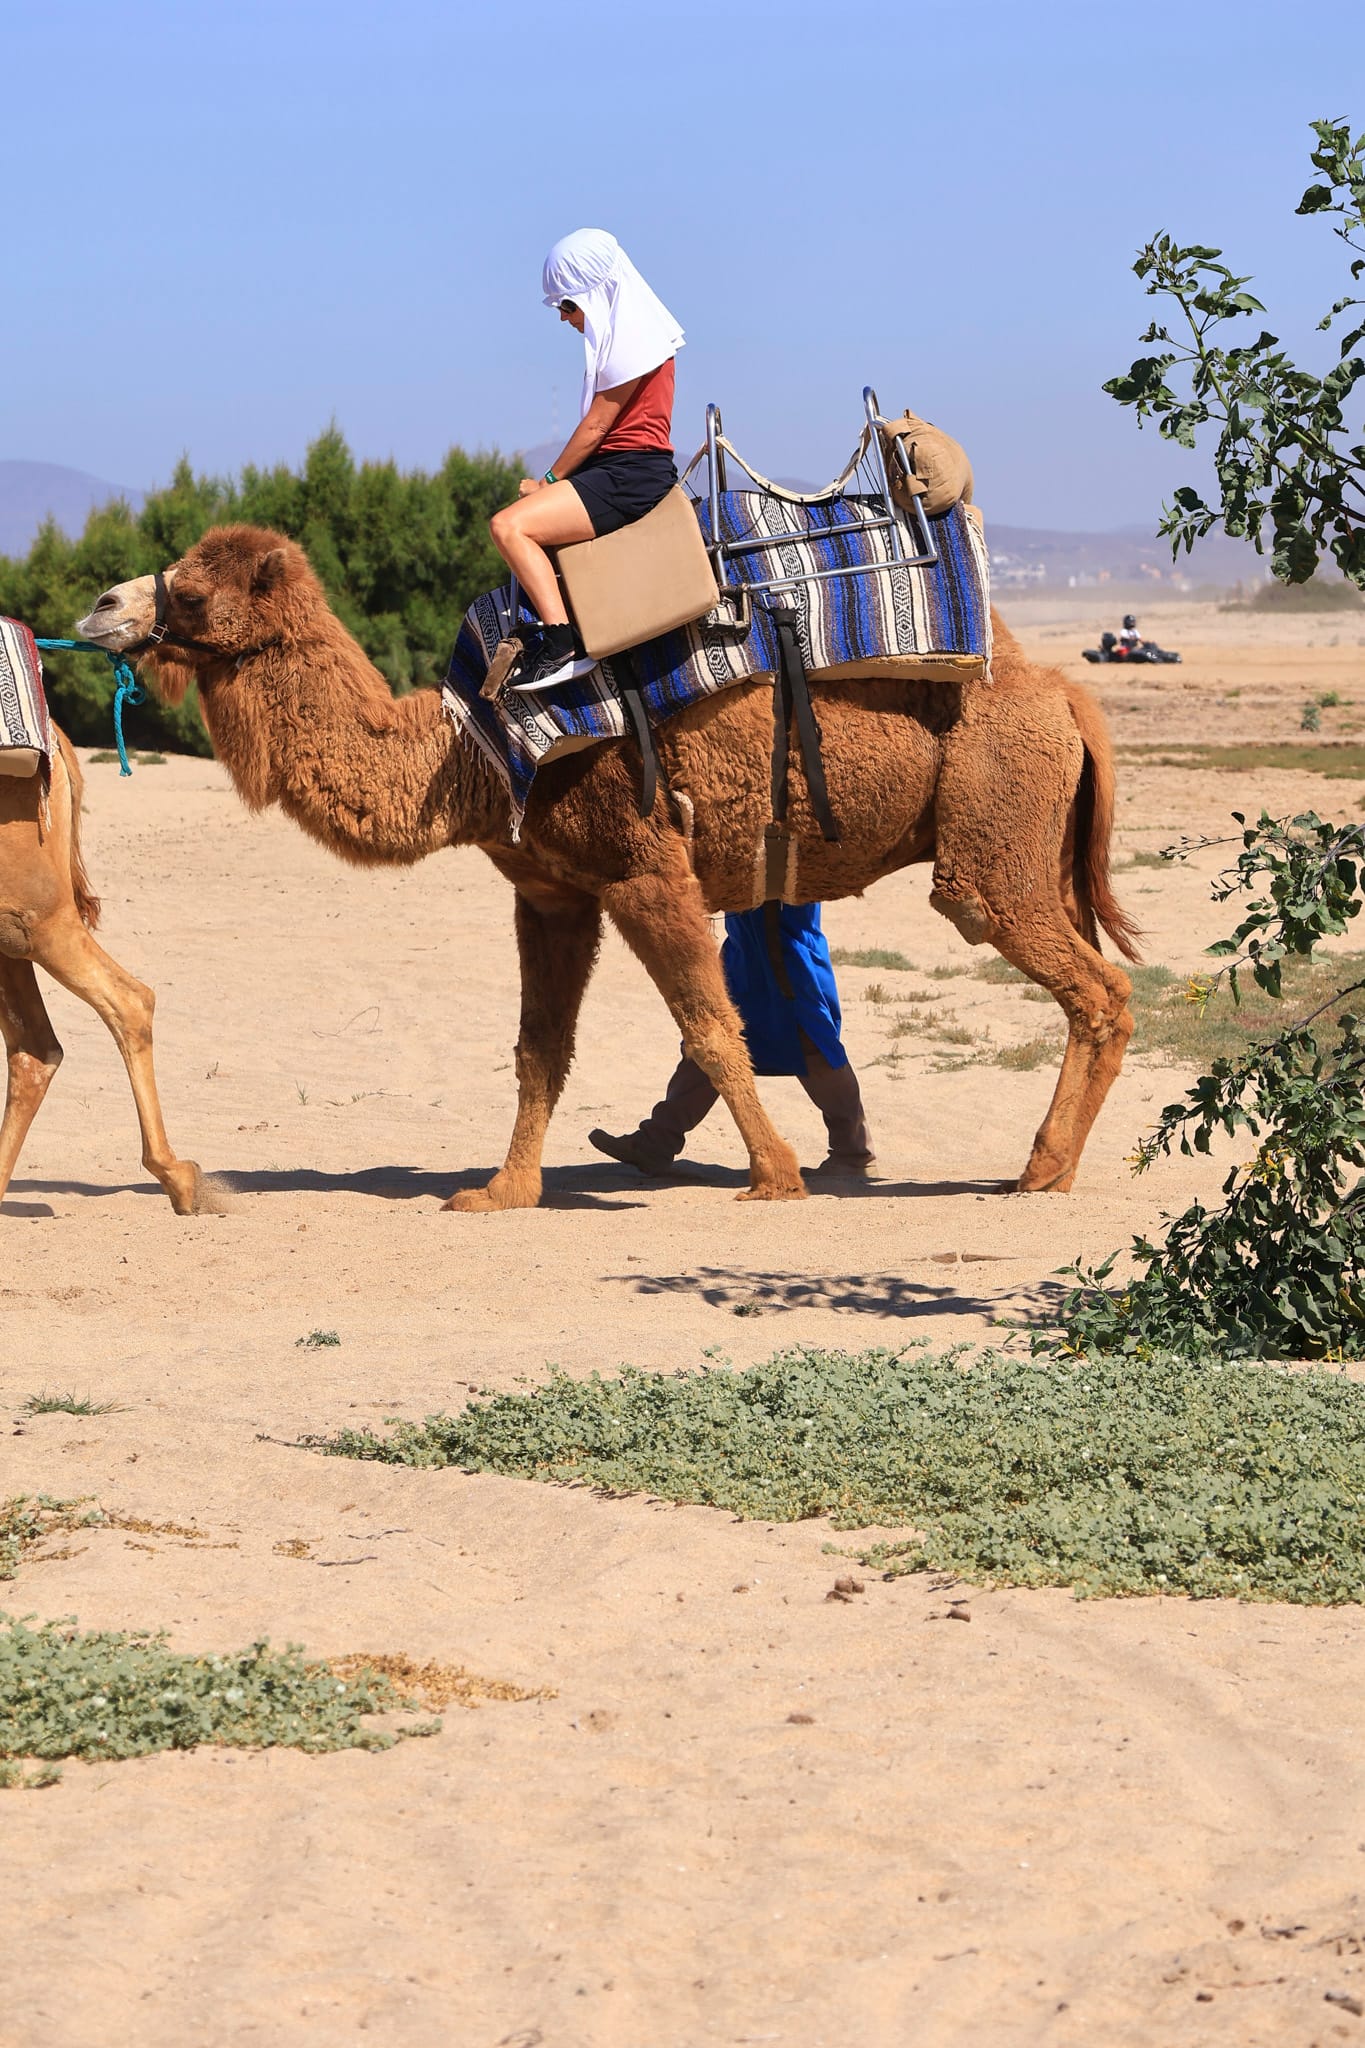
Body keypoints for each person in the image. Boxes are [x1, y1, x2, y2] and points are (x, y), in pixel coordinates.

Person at [488, 228, 684, 694]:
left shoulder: (634, 339)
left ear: (597, 294)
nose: (563, 317)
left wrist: (548, 481)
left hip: (629, 473)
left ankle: (561, 646)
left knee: (508, 527)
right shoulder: (632, 334)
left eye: (567, 305)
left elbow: (597, 426)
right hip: (621, 469)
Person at [589, 902, 876, 1182]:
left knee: (811, 1042)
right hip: (745, 949)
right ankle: (657, 1141)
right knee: (711, 1039)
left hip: (785, 949)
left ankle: (853, 1153)